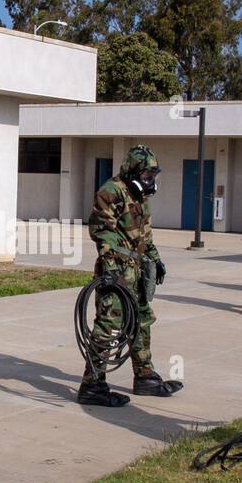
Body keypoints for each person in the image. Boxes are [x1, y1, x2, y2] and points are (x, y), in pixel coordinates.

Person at [77, 145, 182, 407]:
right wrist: (110, 266)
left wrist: (155, 260)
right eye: (146, 175)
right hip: (117, 270)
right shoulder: (111, 191)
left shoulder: (141, 196)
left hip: (136, 270)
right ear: (133, 171)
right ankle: (92, 385)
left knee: (142, 320)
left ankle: (145, 376)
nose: (150, 181)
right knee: (108, 326)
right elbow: (102, 230)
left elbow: (145, 235)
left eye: (152, 176)